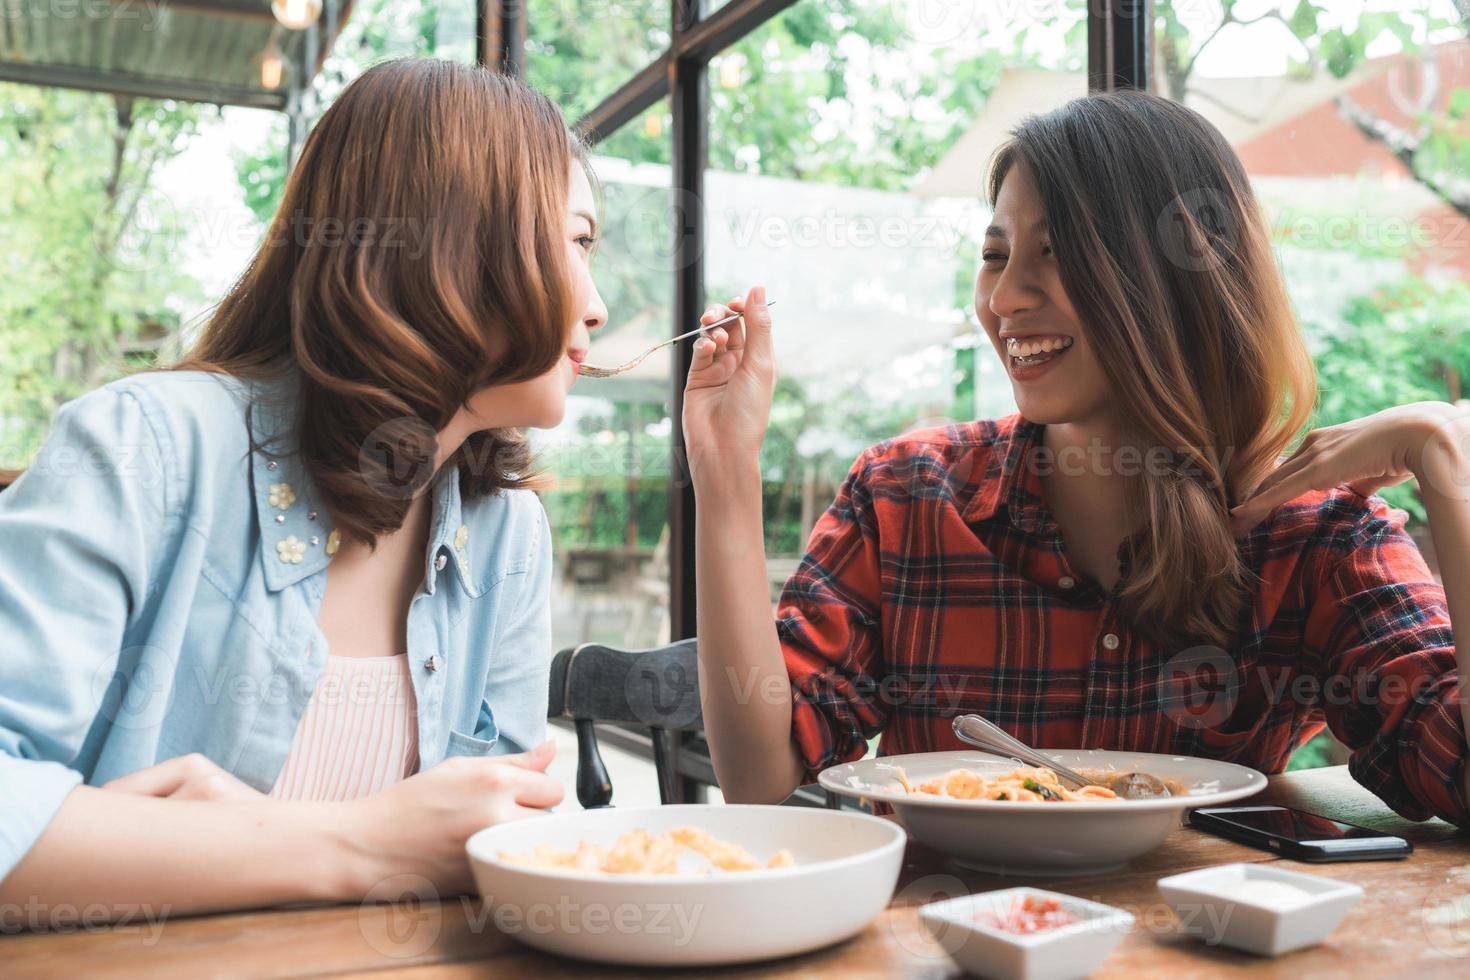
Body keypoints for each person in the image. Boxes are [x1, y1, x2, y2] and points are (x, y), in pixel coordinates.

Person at [685, 91, 1469, 825]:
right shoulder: (905, 495)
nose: (1005, 298)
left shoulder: (1315, 538)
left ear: (1173, 278)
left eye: (1056, 252)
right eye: (996, 255)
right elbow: (761, 773)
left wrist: (1446, 458)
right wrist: (725, 470)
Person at [0, 58, 608, 915]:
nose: (598, 306)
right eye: (576, 242)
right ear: (453, 239)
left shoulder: (506, 532)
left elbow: (498, 845)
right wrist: (360, 842)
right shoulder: (144, 447)